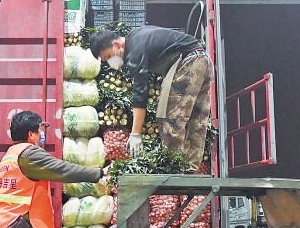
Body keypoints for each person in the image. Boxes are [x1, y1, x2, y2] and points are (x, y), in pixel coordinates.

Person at [90, 26, 212, 171]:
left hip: (188, 63)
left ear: (116, 45)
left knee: (171, 119)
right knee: (196, 121)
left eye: (109, 56)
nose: (110, 62)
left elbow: (140, 92)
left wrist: (135, 133)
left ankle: (174, 170)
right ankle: (190, 170)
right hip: (202, 59)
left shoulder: (134, 52)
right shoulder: (136, 36)